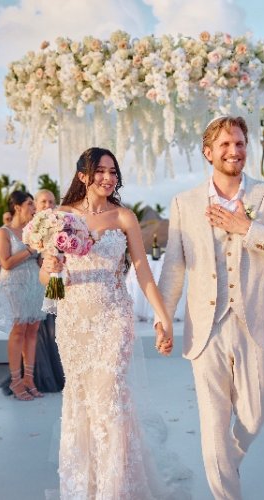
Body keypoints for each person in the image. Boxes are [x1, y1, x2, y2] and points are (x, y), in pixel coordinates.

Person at [156, 116, 264, 499]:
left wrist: (247, 229)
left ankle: (225, 461)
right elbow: (174, 264)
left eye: (239, 143)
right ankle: (226, 491)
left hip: (255, 318)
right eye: (224, 144)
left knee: (257, 413)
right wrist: (163, 318)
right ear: (208, 152)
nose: (233, 150)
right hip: (206, 324)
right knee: (213, 420)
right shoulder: (185, 202)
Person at [40, 147, 187, 499]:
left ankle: (115, 489)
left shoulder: (125, 217)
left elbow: (142, 271)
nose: (108, 177)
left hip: (112, 318)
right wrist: (53, 271)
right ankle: (84, 487)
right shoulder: (59, 217)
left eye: (112, 171)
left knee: (110, 399)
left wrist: (162, 317)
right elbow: (49, 283)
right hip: (74, 320)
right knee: (81, 401)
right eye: (100, 171)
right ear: (82, 177)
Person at [0, 191, 46, 400]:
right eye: (29, 204)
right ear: (17, 207)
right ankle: (15, 381)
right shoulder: (4, 232)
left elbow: (40, 261)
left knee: (33, 329)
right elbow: (5, 262)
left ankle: (29, 378)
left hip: (35, 283)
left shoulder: (32, 231)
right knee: (18, 330)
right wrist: (30, 249)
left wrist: (46, 251)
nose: (34, 209)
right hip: (14, 283)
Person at [33, 188, 64, 393]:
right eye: (43, 201)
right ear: (36, 205)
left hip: (59, 279)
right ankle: (44, 376)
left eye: (51, 201)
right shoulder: (33, 228)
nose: (48, 205)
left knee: (58, 328)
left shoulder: (63, 223)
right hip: (38, 283)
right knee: (45, 331)